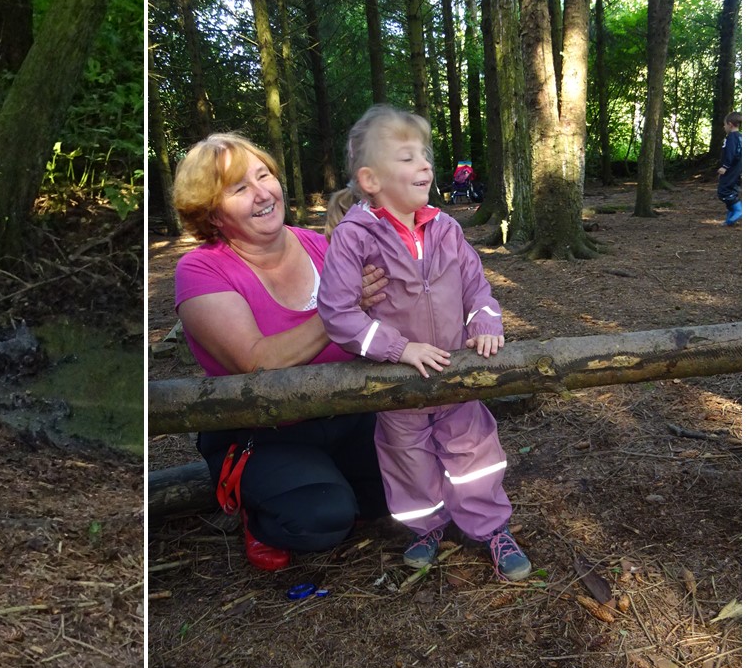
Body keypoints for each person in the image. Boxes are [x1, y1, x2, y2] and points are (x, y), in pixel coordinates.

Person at [318, 104, 531, 582]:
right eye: (408, 157)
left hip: (456, 373)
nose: (425, 167)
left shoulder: (446, 228)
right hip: (398, 382)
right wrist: (399, 349)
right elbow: (337, 312)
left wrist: (486, 324)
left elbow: (478, 287)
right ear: (371, 179)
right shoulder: (354, 238)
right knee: (406, 458)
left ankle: (491, 528)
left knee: (473, 451)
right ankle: (427, 526)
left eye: (425, 156)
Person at [171, 132, 390, 571]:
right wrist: (339, 309)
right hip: (266, 434)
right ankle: (258, 512)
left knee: (414, 488)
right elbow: (257, 362)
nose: (261, 194)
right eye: (239, 189)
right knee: (320, 520)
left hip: (350, 412)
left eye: (263, 176)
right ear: (212, 213)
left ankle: (342, 482)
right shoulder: (200, 270)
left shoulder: (319, 244)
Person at [717, 111, 741, 227]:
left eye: (725, 124)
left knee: (723, 191)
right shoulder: (740, 137)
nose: (724, 127)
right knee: (732, 191)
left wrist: (725, 167)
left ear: (730, 124)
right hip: (737, 170)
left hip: (730, 169)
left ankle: (738, 210)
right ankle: (729, 219)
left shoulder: (731, 137)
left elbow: (730, 153)